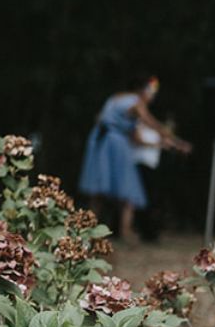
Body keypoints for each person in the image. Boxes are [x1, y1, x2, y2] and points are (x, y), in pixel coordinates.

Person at [78, 75, 191, 244]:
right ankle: (125, 231)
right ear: (141, 90)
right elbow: (154, 125)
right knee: (127, 188)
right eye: (150, 92)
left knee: (99, 190)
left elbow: (103, 119)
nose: (151, 97)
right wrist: (178, 142)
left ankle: (88, 230)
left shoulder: (116, 98)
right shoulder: (136, 102)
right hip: (114, 144)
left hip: (99, 141)